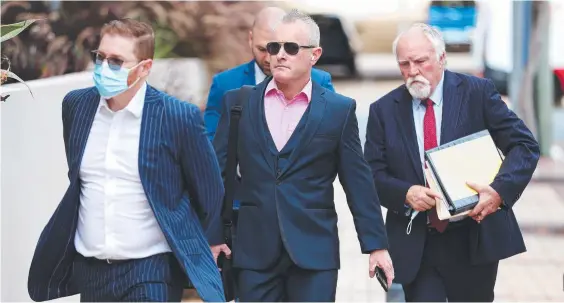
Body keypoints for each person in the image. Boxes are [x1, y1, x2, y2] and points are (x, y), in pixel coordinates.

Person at [27, 19, 229, 302]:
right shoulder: (76, 106)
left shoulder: (176, 117)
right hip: (92, 269)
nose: (103, 68)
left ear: (144, 68)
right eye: (99, 57)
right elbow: (80, 177)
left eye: (116, 61)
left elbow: (208, 188)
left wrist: (211, 238)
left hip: (151, 268)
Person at [212, 9, 394, 302]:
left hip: (314, 253)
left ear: (315, 54)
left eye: (291, 48)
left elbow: (358, 182)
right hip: (253, 252)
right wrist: (214, 236)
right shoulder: (238, 104)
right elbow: (218, 174)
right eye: (274, 47)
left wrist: (376, 245)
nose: (280, 55)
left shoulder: (338, 110)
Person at [364, 23, 540, 302]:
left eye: (421, 61)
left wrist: (498, 192)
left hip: (472, 236)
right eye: (404, 64)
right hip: (417, 241)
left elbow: (525, 146)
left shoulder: (477, 93)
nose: (412, 72)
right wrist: (405, 194)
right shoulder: (383, 110)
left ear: (442, 58)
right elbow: (371, 174)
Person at [203, 6, 335, 141]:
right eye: (261, 49)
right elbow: (211, 146)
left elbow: (333, 139)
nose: (268, 58)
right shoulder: (224, 84)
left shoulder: (319, 81)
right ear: (250, 39)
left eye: (275, 48)